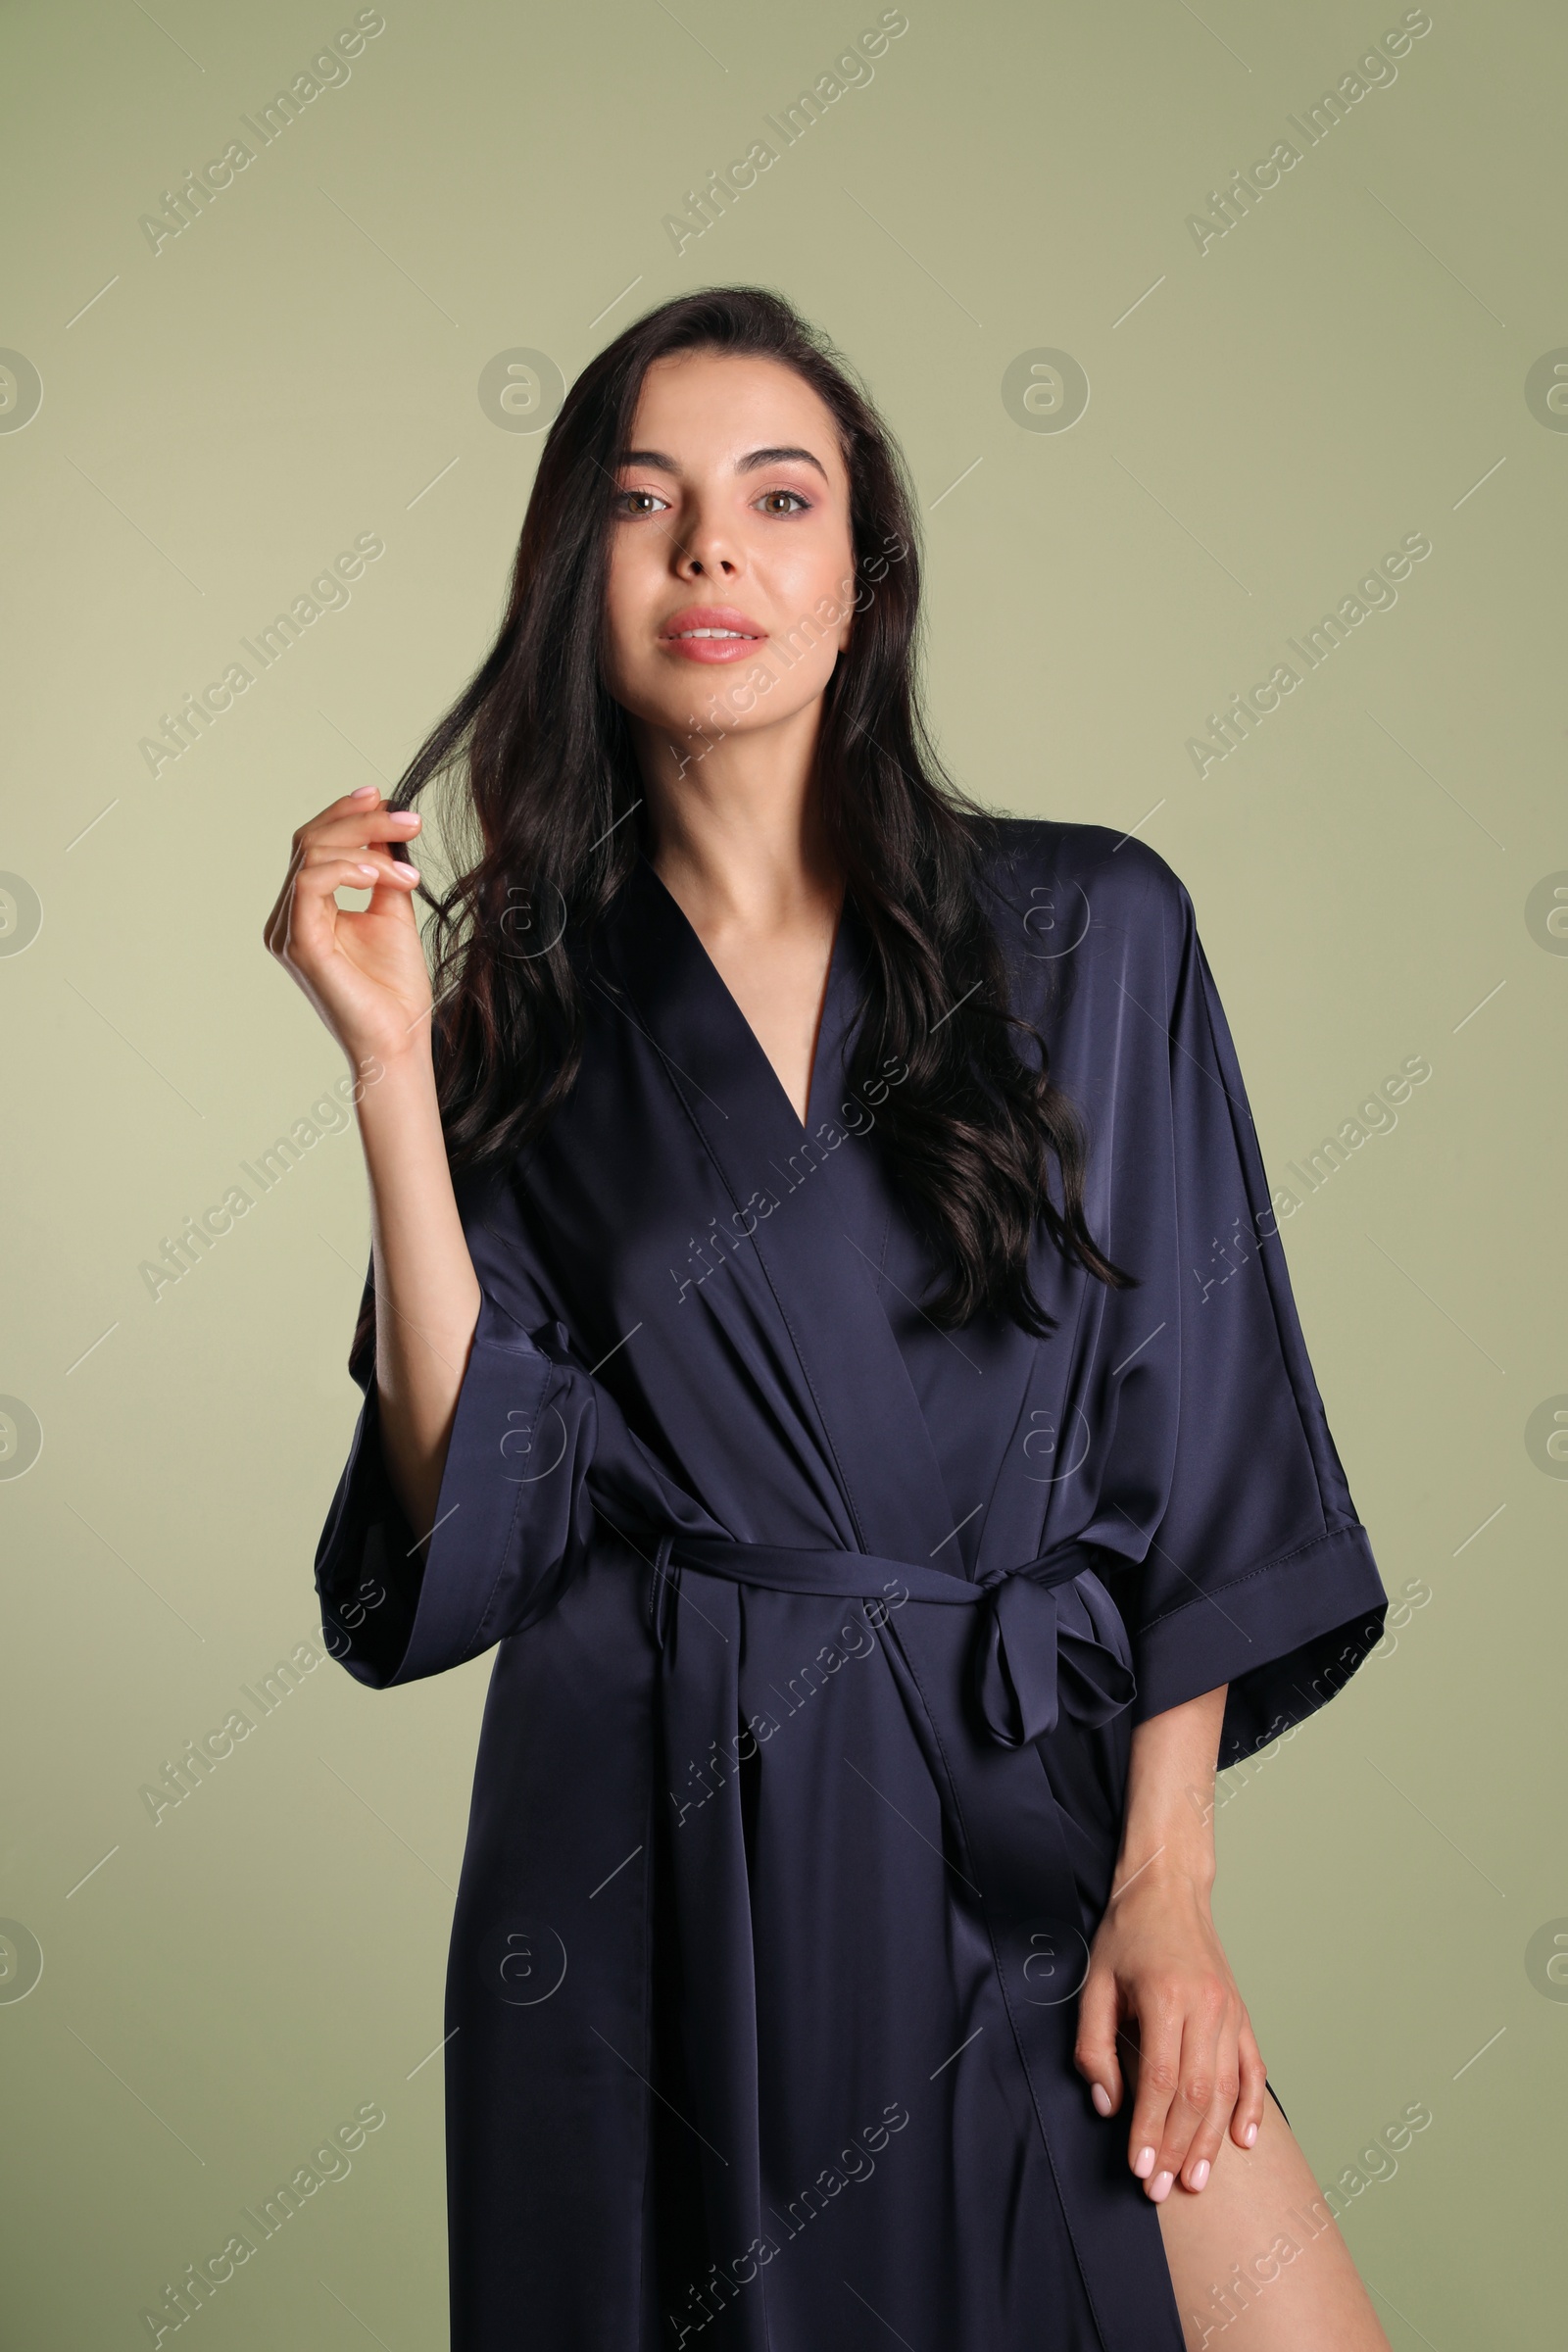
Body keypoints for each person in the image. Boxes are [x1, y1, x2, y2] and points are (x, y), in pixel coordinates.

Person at [266, 287, 1394, 2350]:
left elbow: (1199, 1443)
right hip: (647, 1857)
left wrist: (1164, 1886)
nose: (710, 547)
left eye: (775, 497)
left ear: (859, 585)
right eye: (644, 500)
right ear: (573, 581)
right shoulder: (523, 1014)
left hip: (1013, 1819)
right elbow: (469, 1509)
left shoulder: (1093, 928)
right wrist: (383, 1077)